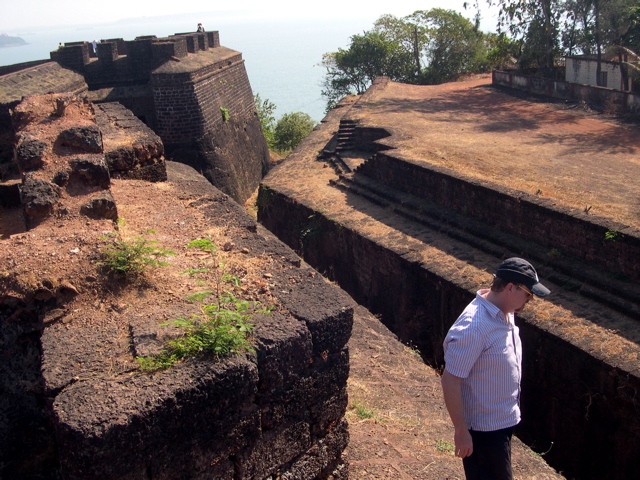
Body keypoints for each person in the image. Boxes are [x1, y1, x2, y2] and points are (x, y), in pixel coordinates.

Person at [441, 257, 550, 480]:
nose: (530, 300)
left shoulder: (505, 312)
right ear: (510, 287)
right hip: (484, 430)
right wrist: (461, 432)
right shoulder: (475, 326)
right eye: (528, 294)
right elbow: (450, 379)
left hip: (501, 422)